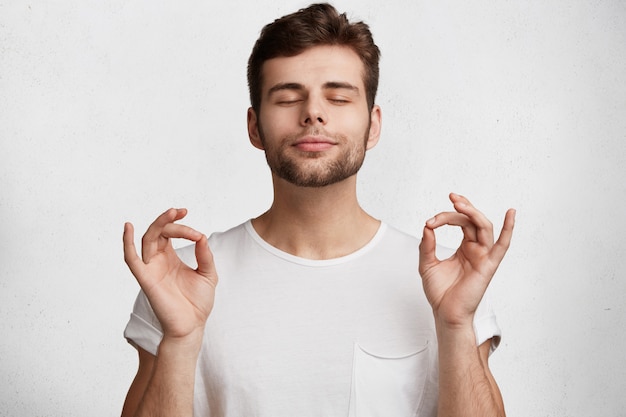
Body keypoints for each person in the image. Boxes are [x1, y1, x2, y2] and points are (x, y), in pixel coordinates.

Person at [121, 3, 515, 417]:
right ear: (255, 126)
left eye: (339, 97)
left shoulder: (445, 283)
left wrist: (455, 326)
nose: (313, 112)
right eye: (288, 97)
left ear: (373, 125)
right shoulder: (182, 281)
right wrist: (180, 340)